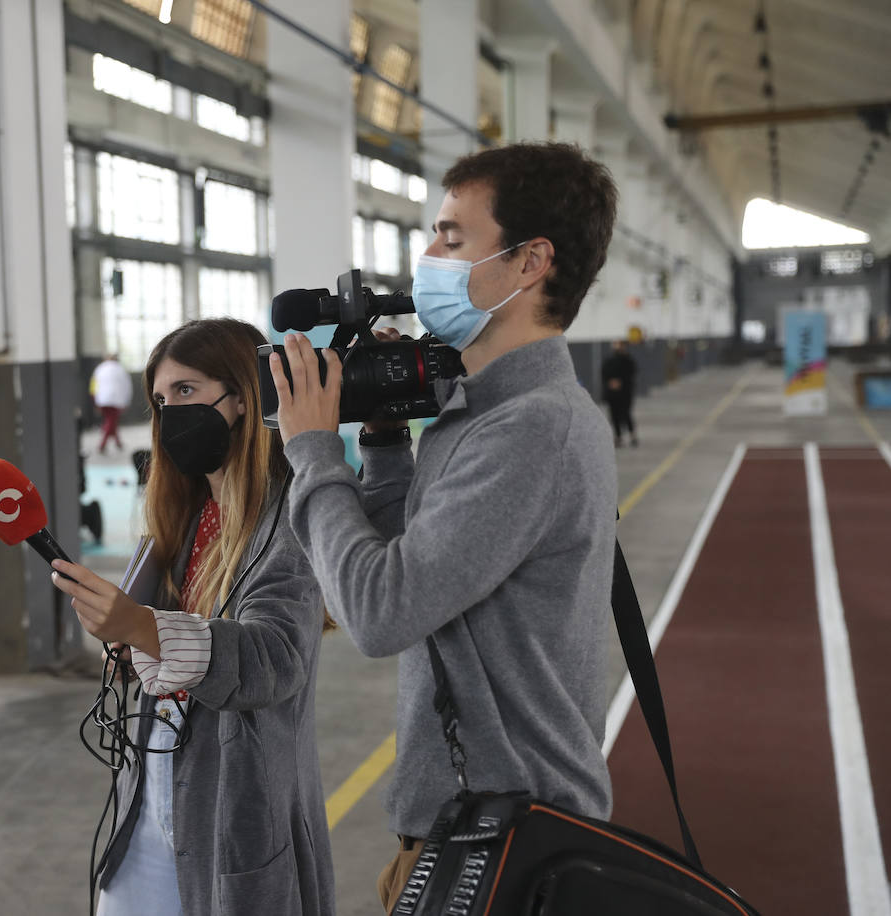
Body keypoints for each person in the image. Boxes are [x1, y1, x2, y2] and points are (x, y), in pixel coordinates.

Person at [268, 142, 619, 914]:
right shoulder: (481, 412)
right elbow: (418, 567)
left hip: (507, 838)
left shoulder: (531, 429)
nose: (427, 257)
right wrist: (386, 443)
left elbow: (380, 610)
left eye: (452, 238)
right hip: (466, 822)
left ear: (529, 263)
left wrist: (312, 449)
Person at [49, 318, 335, 915]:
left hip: (236, 804)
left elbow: (272, 660)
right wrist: (125, 641)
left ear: (243, 397)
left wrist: (141, 628)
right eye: (158, 399)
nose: (169, 411)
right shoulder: (182, 518)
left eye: (186, 391)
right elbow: (150, 653)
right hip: (152, 790)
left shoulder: (292, 517)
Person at [91, 352, 133, 454]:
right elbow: (127, 386)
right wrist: (127, 401)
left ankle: (118, 442)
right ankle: (102, 444)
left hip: (101, 400)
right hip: (116, 400)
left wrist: (95, 400)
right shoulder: (120, 369)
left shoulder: (99, 368)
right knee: (111, 421)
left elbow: (93, 385)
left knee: (111, 421)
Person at [602, 339, 639, 447]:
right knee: (614, 416)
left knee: (626, 414)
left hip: (625, 393)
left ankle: (633, 436)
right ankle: (618, 437)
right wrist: (611, 382)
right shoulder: (609, 360)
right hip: (613, 394)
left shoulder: (628, 360)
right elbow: (604, 373)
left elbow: (631, 372)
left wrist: (621, 382)